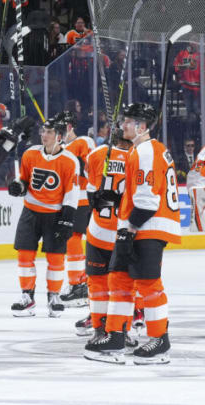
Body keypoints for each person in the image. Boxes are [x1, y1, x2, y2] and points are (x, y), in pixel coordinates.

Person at [85, 103, 179, 365]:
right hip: (142, 225)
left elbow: (148, 201)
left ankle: (160, 340)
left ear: (142, 126)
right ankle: (115, 335)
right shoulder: (145, 150)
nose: (123, 125)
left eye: (129, 121)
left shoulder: (146, 151)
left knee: (148, 285)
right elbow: (140, 192)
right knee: (119, 279)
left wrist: (129, 229)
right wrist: (115, 199)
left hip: (147, 227)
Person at [8, 117, 80, 318]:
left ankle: (54, 297)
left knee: (56, 258)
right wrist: (18, 186)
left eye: (48, 132)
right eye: (43, 131)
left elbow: (71, 193)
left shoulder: (69, 161)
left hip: (54, 215)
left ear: (59, 136)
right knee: (24, 255)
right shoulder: (30, 154)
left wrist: (67, 219)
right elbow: (24, 180)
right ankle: (27, 298)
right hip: (30, 211)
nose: (44, 135)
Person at [79, 124, 140, 356]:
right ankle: (121, 329)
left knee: (97, 285)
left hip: (98, 231)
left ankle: (100, 329)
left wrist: (105, 198)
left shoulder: (96, 155)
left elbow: (93, 197)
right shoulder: (137, 157)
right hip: (123, 232)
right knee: (123, 286)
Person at [58, 111, 96, 308]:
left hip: (84, 198)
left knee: (75, 239)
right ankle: (80, 284)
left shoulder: (83, 142)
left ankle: (80, 284)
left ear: (69, 127)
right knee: (72, 240)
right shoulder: (61, 148)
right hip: (71, 200)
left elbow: (92, 165)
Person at [174, 42, 201, 119]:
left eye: (196, 43)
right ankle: (190, 128)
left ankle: (197, 127)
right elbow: (176, 67)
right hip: (186, 86)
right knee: (189, 109)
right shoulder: (182, 54)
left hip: (198, 88)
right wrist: (181, 72)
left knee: (197, 109)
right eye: (192, 43)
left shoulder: (201, 55)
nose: (194, 45)